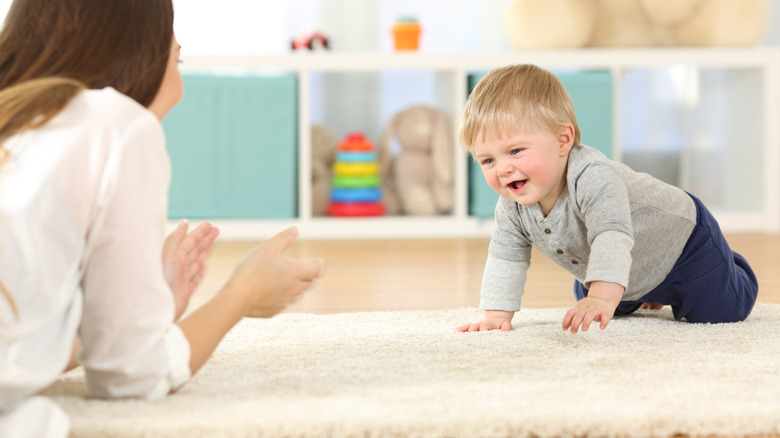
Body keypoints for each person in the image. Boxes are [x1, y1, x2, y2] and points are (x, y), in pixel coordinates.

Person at [0, 1, 324, 436]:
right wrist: (242, 293)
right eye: (177, 58)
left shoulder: (18, 120)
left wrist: (148, 314)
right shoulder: (113, 121)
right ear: (133, 58)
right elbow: (132, 377)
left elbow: (17, 346)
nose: (180, 83)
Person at [455, 64, 758, 335]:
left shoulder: (593, 176)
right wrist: (496, 314)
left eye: (515, 151)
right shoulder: (511, 206)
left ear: (563, 141)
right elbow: (505, 257)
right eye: (487, 161)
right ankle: (640, 291)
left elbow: (611, 235)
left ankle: (730, 265)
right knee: (594, 303)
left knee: (722, 311)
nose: (503, 169)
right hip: (630, 264)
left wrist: (600, 296)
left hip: (684, 245)